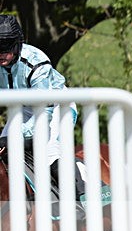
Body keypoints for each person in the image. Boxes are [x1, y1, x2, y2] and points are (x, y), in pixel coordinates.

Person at [0, 14, 79, 197]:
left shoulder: (37, 63)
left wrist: (16, 136)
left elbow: (44, 113)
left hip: (56, 108)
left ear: (18, 44)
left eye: (6, 47)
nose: (1, 53)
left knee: (50, 155)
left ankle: (80, 202)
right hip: (23, 108)